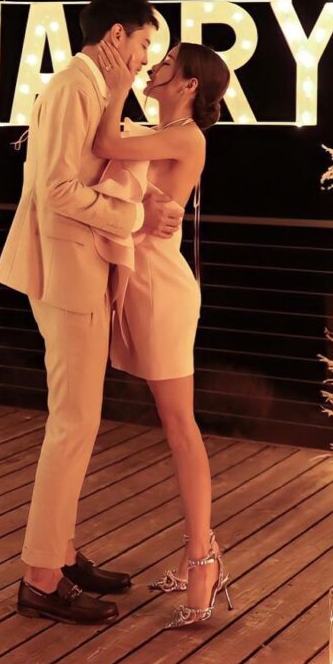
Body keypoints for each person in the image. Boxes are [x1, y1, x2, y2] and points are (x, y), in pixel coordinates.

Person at [0, 0, 184, 625]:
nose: (146, 57)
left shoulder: (91, 86)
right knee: (73, 422)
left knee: (77, 419)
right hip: (68, 272)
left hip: (78, 267)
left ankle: (61, 552)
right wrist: (134, 217)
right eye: (143, 43)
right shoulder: (77, 86)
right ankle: (41, 579)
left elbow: (87, 172)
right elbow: (56, 189)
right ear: (115, 35)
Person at [91, 38, 232, 628]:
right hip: (141, 278)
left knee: (180, 427)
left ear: (190, 85)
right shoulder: (165, 134)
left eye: (166, 63)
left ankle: (203, 560)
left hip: (160, 288)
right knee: (175, 426)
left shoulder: (187, 136)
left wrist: (117, 78)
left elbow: (105, 144)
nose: (154, 65)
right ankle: (198, 550)